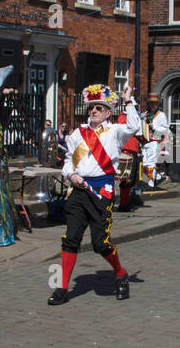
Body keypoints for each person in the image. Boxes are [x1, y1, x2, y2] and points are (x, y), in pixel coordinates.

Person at [47, 84, 139, 305]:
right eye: (92, 108)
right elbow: (70, 161)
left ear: (108, 112)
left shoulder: (115, 132)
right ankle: (61, 288)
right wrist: (71, 175)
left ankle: (120, 273)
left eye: (99, 108)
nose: (94, 111)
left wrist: (128, 102)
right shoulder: (79, 134)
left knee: (100, 243)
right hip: (78, 191)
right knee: (71, 239)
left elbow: (135, 126)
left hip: (101, 192)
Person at [140, 94, 171, 189]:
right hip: (145, 141)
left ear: (158, 104)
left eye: (155, 103)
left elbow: (165, 129)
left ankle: (151, 183)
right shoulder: (144, 114)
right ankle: (155, 176)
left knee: (151, 162)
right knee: (144, 163)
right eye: (151, 103)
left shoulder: (161, 115)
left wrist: (154, 127)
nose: (153, 105)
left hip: (155, 141)